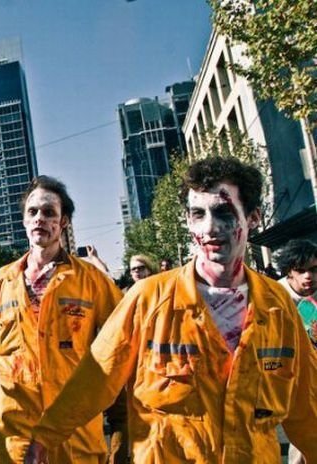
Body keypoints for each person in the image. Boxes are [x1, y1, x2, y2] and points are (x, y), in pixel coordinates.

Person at [25, 157, 317, 463]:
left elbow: (306, 407)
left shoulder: (278, 306)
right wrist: (45, 436)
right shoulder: (149, 299)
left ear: (253, 218)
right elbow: (96, 377)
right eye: (197, 214)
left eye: (223, 213)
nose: (209, 227)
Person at [0, 175, 126, 464]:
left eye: (49, 212)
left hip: (76, 440)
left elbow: (130, 338)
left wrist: (125, 424)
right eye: (32, 212)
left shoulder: (92, 281)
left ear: (63, 221)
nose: (40, 218)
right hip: (18, 443)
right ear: (24, 221)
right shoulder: (1, 282)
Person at [276, 239, 317, 464]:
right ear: (289, 273)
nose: (308, 277)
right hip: (289, 376)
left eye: (313, 270)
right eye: (300, 271)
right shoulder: (273, 296)